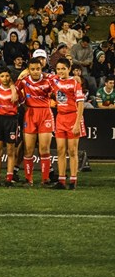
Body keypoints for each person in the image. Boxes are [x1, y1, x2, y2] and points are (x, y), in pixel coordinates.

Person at [16, 57, 55, 187]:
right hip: (30, 114)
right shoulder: (24, 80)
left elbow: (59, 86)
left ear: (41, 68)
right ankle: (29, 180)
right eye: (32, 69)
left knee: (44, 149)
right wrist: (22, 102)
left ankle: (45, 179)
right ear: (28, 70)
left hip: (45, 114)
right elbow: (14, 90)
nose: (35, 72)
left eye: (38, 69)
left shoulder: (48, 80)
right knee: (29, 149)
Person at [51, 58, 84, 190]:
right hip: (60, 118)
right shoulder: (54, 80)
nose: (60, 71)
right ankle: (62, 180)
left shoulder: (75, 83)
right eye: (58, 69)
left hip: (72, 117)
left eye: (63, 68)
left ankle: (73, 180)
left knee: (72, 150)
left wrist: (77, 123)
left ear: (69, 69)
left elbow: (81, 104)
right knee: (60, 150)